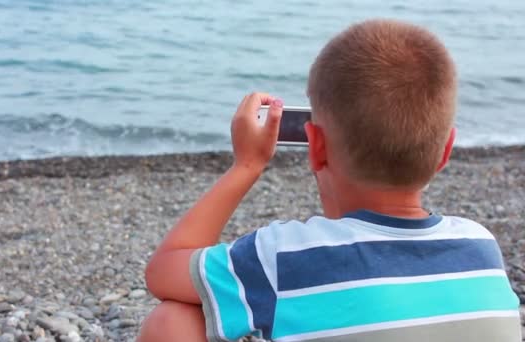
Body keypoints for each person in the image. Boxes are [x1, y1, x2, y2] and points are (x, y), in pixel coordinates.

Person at [137, 19, 522, 342]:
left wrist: (247, 166)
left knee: (171, 322)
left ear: (315, 144)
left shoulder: (287, 257)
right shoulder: (481, 246)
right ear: (446, 150)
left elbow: (163, 270)